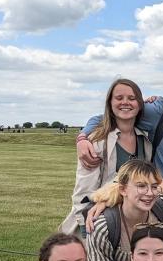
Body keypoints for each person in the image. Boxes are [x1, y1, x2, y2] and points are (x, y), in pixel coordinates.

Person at [61, 78, 150, 234]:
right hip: (99, 221)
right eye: (119, 98)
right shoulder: (97, 141)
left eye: (132, 98)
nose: (125, 102)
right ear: (110, 103)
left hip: (133, 221)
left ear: (140, 104)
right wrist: (85, 228)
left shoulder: (145, 140)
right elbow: (83, 190)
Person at [85, 159, 163, 261]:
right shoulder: (103, 227)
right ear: (123, 190)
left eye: (154, 186)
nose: (150, 193)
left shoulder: (162, 205)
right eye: (141, 186)